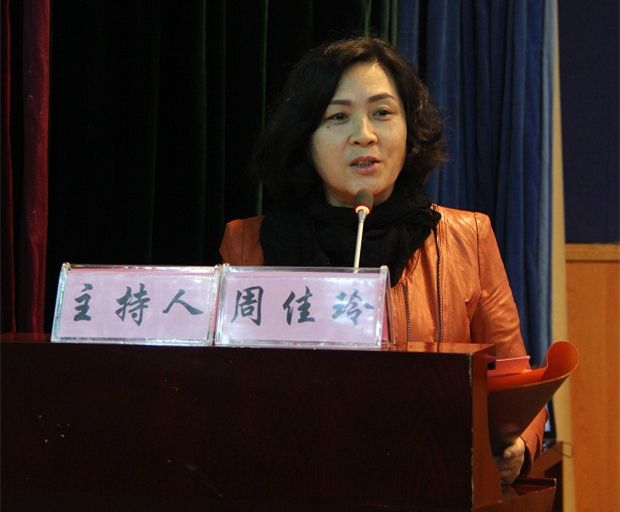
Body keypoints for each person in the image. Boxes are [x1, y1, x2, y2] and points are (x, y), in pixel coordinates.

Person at [219, 36, 546, 485]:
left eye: (382, 113)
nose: (364, 134)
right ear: (304, 136)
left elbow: (518, 382)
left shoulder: (467, 238)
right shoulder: (248, 245)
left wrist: (517, 445)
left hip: (430, 482)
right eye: (338, 116)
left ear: (409, 128)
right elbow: (225, 396)